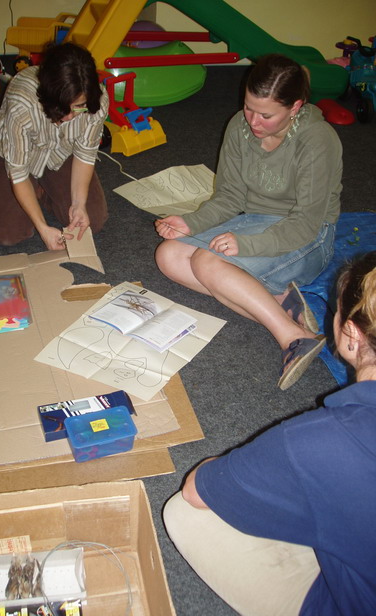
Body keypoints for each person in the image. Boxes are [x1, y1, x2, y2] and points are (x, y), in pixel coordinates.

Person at [163, 251, 376, 616]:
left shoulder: (324, 440)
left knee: (184, 512)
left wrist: (231, 466)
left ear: (352, 335)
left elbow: (198, 490)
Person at [155, 54, 343, 390]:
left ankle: (293, 337)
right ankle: (279, 302)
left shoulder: (317, 139)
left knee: (206, 263)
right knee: (168, 255)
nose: (253, 121)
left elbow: (305, 223)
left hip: (308, 234)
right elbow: (229, 197)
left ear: (295, 107)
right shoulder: (239, 127)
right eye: (248, 107)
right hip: (255, 220)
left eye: (266, 115)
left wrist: (246, 245)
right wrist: (192, 223)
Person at [0, 41, 109, 250]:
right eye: (62, 108)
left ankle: (43, 191)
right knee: (9, 233)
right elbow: (18, 173)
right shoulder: (22, 103)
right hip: (12, 154)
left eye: (78, 106)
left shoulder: (97, 100)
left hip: (60, 153)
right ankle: (36, 192)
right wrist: (43, 228)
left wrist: (79, 204)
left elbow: (85, 155)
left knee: (92, 220)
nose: (69, 117)